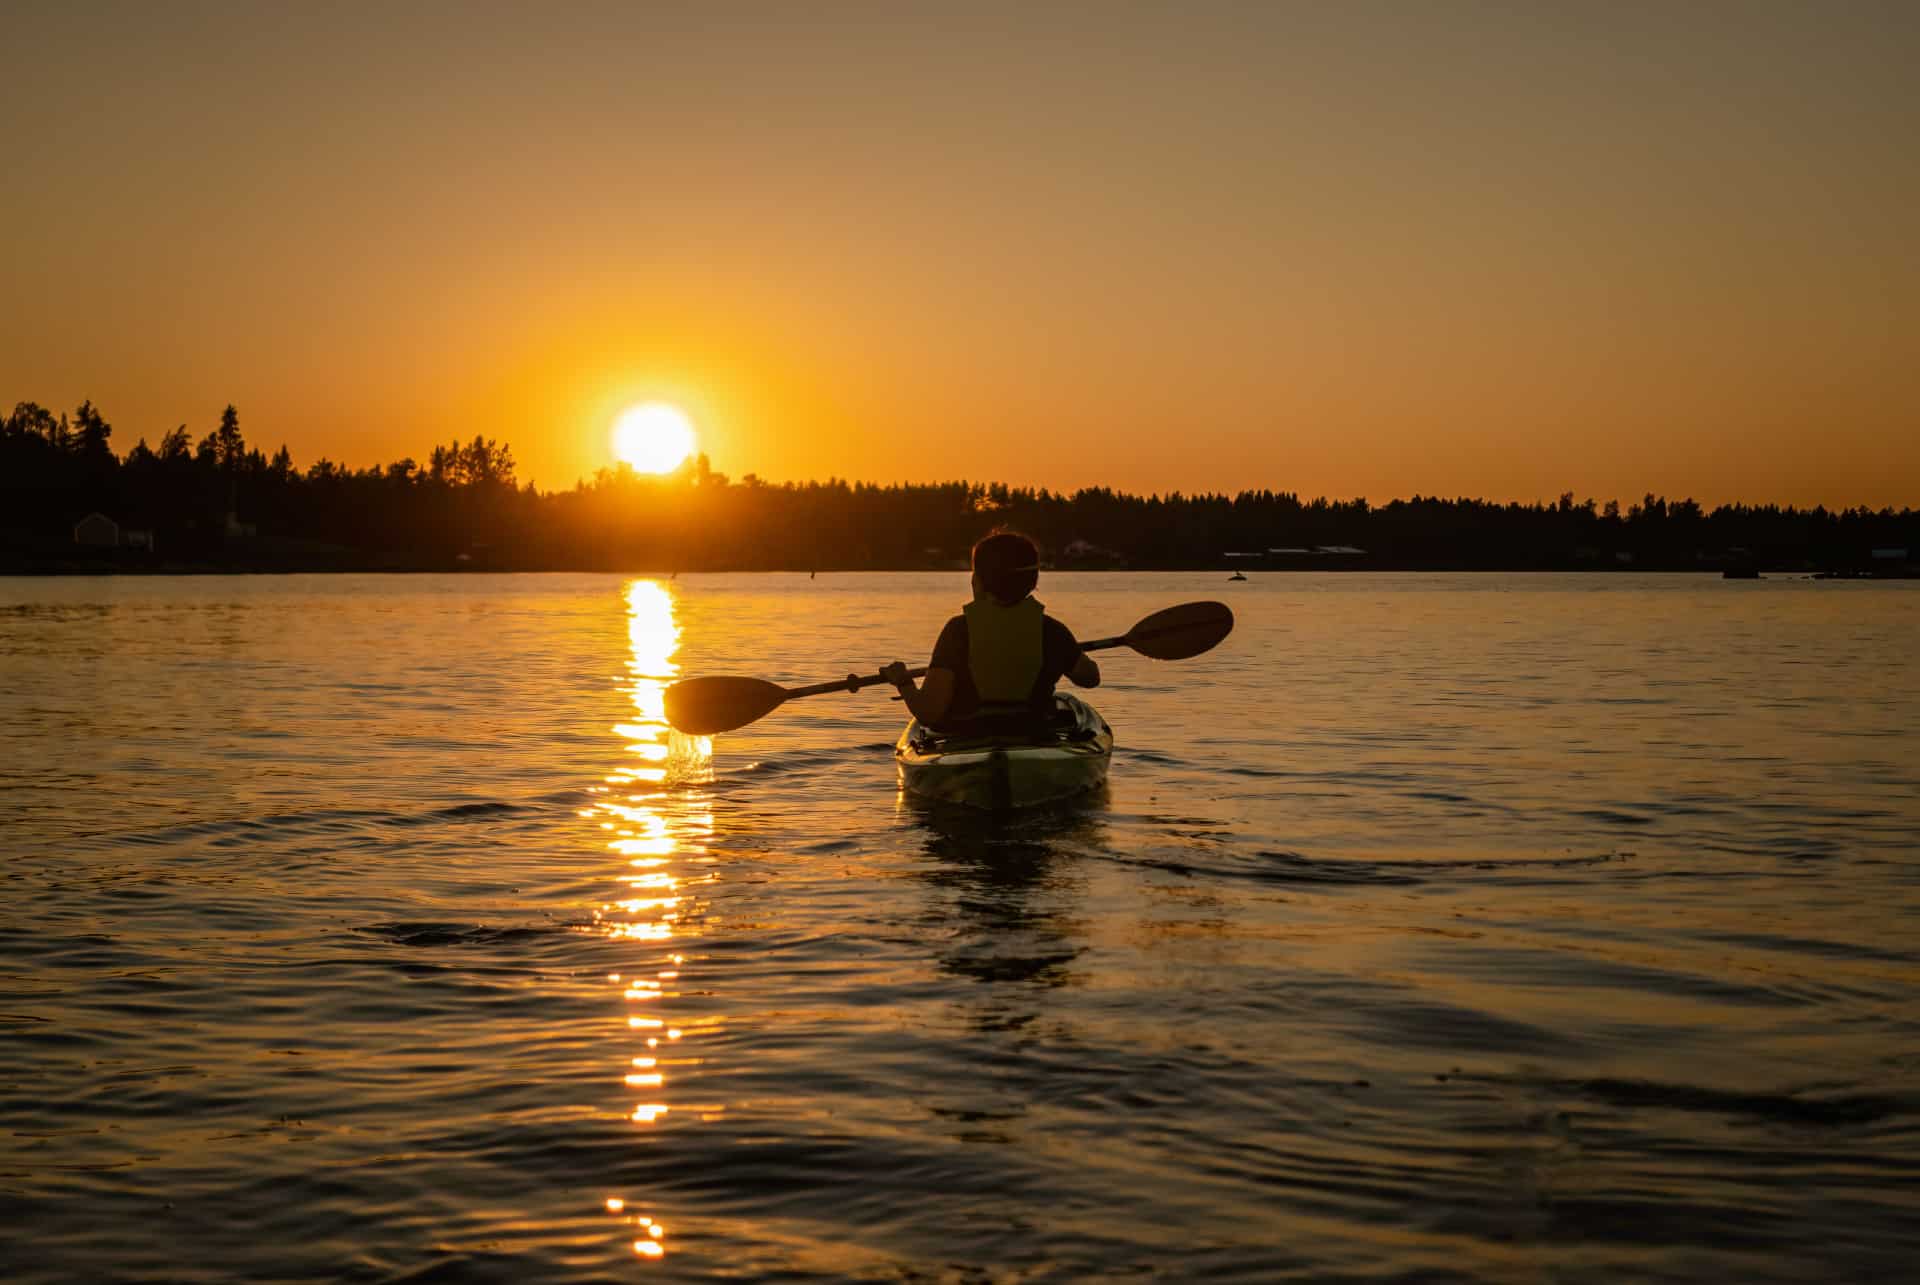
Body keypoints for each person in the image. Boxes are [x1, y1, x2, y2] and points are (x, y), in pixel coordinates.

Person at [881, 529, 1099, 735]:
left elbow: (929, 712)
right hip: (1033, 734)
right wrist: (1067, 652)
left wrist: (903, 681)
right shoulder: (1051, 630)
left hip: (968, 736)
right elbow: (1090, 677)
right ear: (1033, 582)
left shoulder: (958, 631)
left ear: (979, 581)